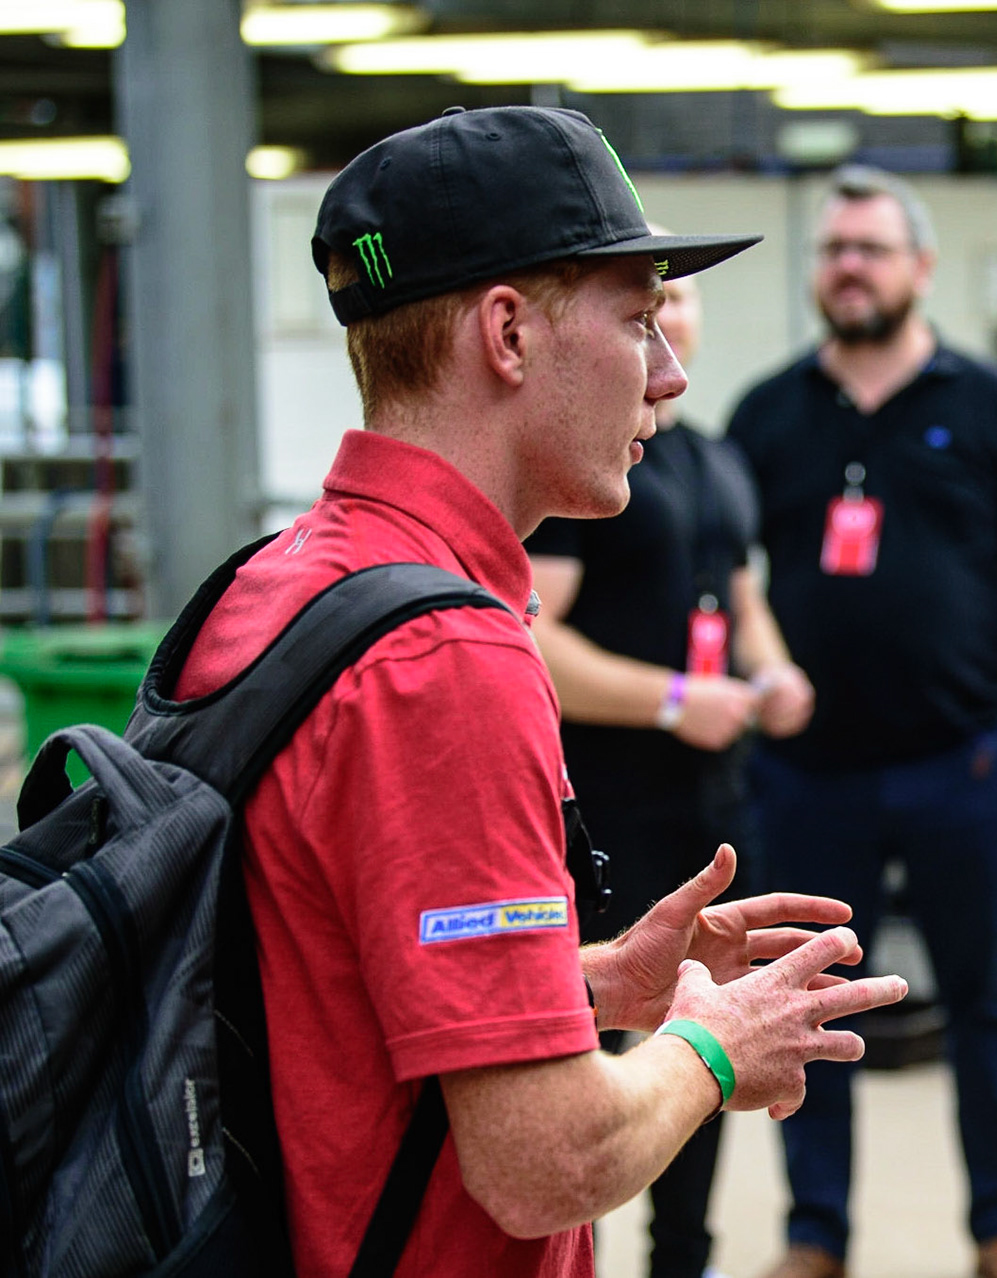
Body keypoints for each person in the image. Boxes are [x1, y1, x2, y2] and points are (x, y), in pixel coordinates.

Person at [174, 105, 908, 1277]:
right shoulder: (444, 661)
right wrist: (713, 1048)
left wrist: (593, 983)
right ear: (508, 334)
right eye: (638, 319)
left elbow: (324, 985)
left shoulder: (279, 581)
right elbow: (543, 1162)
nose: (668, 375)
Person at [726, 164, 997, 1278]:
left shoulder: (988, 405)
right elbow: (734, 578)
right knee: (804, 1007)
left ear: (919, 267)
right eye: (834, 250)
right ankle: (814, 1233)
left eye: (871, 249)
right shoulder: (767, 413)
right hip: (807, 773)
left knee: (988, 1002)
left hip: (962, 765)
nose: (850, 268)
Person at [524, 262, 814, 1278]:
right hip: (610, 806)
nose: (667, 327)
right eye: (644, 309)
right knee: (591, 1056)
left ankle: (684, 1258)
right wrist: (673, 699)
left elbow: (740, 597)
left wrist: (773, 671)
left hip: (711, 806)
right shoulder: (591, 475)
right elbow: (533, 635)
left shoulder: (717, 458)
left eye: (677, 303)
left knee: (705, 1028)